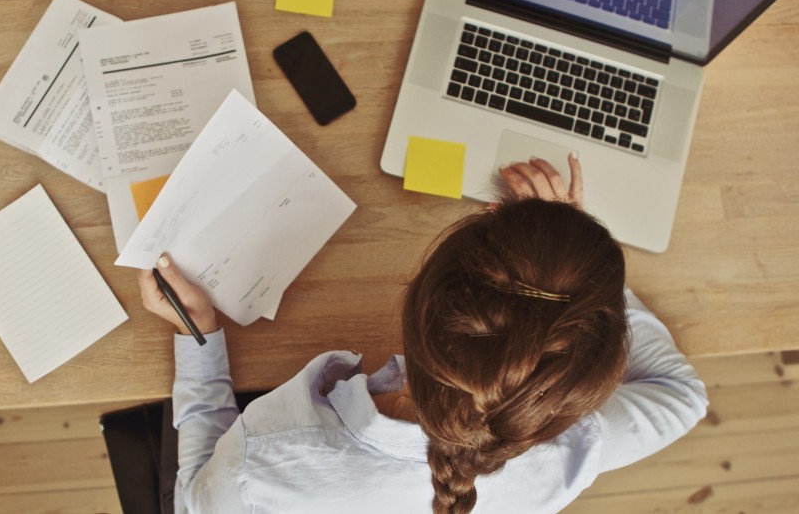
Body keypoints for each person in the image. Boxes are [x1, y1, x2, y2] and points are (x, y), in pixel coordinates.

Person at [138, 155, 709, 514]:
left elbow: (193, 496)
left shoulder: (262, 465)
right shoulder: (565, 456)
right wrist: (583, 280)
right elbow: (681, 397)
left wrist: (200, 337)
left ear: (416, 296)